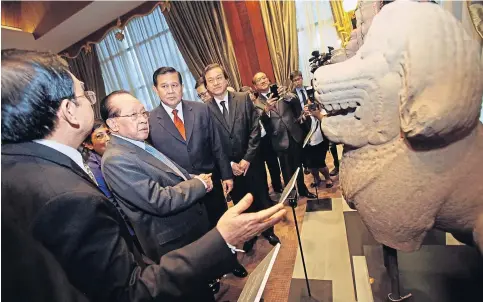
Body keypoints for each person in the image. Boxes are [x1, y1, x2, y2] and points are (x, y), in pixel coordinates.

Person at [1, 49, 286, 302]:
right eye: (84, 95)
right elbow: (127, 290)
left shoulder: (24, 167)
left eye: (142, 112)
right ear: (69, 111)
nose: (143, 118)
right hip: (168, 247)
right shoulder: (75, 186)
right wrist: (221, 236)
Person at [148, 66, 247, 279]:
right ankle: (207, 274)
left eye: (175, 85)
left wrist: (227, 175)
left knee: (219, 227)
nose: (171, 90)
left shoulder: (201, 110)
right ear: (155, 90)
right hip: (180, 191)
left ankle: (230, 263)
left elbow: (217, 145)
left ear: (182, 87)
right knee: (195, 236)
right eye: (164, 86)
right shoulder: (149, 122)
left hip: (211, 183)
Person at [203, 63, 281, 252]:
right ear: (206, 86)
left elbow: (254, 130)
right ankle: (249, 235)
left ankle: (268, 230)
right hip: (229, 170)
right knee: (241, 204)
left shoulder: (243, 98)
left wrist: (247, 158)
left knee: (261, 197)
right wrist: (229, 165)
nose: (215, 83)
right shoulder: (203, 110)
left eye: (219, 78)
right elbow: (210, 142)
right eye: (210, 80)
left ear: (227, 79)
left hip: (252, 162)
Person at [252, 72, 317, 199]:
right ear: (255, 86)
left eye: (264, 77)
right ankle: (292, 195)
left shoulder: (281, 92)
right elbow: (261, 121)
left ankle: (303, 190)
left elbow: (295, 103)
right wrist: (267, 110)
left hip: (294, 134)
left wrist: (287, 95)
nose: (263, 80)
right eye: (259, 80)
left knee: (298, 165)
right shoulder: (256, 103)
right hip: (278, 139)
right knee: (286, 170)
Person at [240, 85, 284, 194]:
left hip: (266, 140)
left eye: (250, 93)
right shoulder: (242, 112)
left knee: (274, 165)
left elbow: (268, 120)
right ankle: (265, 191)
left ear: (253, 93)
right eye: (245, 95)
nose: (249, 96)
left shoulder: (261, 105)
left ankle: (277, 186)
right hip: (254, 144)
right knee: (260, 170)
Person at [81, 119, 112, 198]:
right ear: (88, 145)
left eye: (108, 133)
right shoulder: (93, 168)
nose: (108, 138)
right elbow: (109, 198)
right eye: (99, 136)